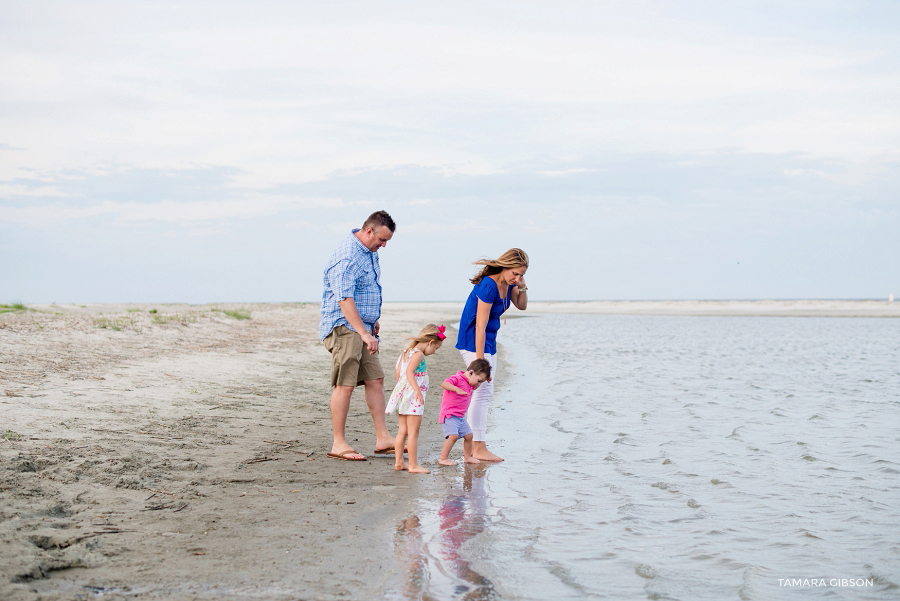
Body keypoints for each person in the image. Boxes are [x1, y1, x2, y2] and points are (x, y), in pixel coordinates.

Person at [320, 210, 396, 461]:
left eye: (387, 241)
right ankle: (338, 443)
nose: (383, 245)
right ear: (369, 231)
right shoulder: (347, 257)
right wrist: (363, 332)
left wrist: (372, 323)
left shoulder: (368, 251)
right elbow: (344, 299)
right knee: (346, 382)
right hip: (344, 327)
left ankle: (383, 439)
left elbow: (366, 290)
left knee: (375, 379)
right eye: (382, 240)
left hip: (362, 327)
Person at [456, 248, 529, 462]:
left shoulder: (510, 284)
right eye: (515, 273)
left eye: (521, 274)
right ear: (505, 266)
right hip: (473, 341)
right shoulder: (488, 286)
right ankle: (477, 447)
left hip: (489, 342)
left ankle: (475, 447)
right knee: (483, 391)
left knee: (485, 391)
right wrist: (479, 362)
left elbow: (522, 306)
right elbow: (479, 325)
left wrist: (522, 287)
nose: (517, 277)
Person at [386, 324, 446, 474]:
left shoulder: (406, 352)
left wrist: (403, 390)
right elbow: (408, 371)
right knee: (413, 433)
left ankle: (399, 462)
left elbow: (398, 374)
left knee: (402, 431)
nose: (434, 352)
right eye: (436, 349)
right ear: (431, 342)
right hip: (413, 397)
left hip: (404, 395)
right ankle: (413, 465)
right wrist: (416, 390)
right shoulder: (418, 354)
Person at [438, 359, 492, 466]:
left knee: (469, 436)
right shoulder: (457, 379)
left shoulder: (471, 383)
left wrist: (486, 378)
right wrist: (455, 389)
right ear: (471, 373)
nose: (479, 384)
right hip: (449, 415)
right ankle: (443, 458)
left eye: (481, 382)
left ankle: (467, 457)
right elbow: (444, 384)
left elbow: (476, 379)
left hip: (460, 417)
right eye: (479, 381)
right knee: (452, 436)